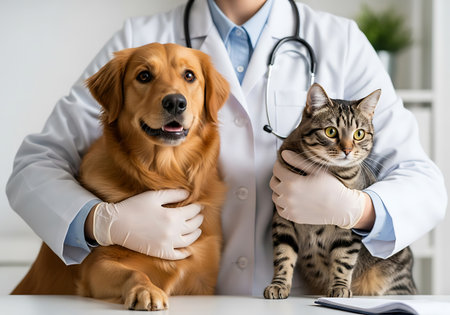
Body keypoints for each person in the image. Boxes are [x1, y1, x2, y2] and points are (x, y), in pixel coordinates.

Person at [6, 0, 447, 296]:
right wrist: (99, 223)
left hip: (297, 303)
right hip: (179, 303)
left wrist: (356, 209)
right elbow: (34, 167)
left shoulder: (340, 42)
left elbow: (423, 182)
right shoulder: (143, 38)